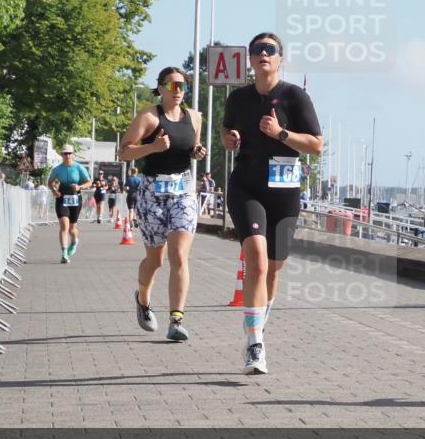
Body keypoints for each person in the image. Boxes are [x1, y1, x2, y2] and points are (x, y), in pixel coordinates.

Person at [222, 32, 322, 374]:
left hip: (284, 191)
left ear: (280, 58)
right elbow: (225, 130)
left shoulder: (295, 96)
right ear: (250, 59)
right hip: (246, 187)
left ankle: (257, 320)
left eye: (270, 49)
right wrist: (229, 138)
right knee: (257, 262)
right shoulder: (238, 98)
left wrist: (281, 133)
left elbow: (316, 145)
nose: (263, 54)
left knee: (274, 268)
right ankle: (255, 344)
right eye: (257, 50)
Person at [119, 67, 207, 342]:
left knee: (179, 255)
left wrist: (197, 152)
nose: (178, 90)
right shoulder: (149, 117)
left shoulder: (194, 117)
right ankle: (143, 299)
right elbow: (123, 151)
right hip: (152, 192)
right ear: (160, 88)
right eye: (172, 85)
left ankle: (176, 320)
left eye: (182, 85)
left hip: (183, 191)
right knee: (155, 260)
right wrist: (152, 148)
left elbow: (193, 146)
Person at [47, 145, 92, 263]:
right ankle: (64, 253)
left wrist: (79, 187)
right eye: (65, 154)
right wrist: (54, 191)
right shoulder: (57, 169)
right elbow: (50, 182)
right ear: (62, 155)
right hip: (62, 198)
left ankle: (74, 241)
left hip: (75, 199)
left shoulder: (79, 167)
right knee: (64, 227)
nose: (67, 156)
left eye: (69, 153)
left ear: (73, 155)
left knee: (72, 229)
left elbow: (89, 182)